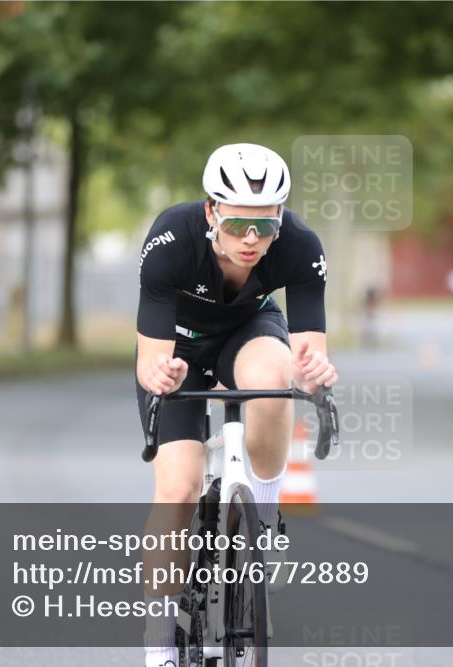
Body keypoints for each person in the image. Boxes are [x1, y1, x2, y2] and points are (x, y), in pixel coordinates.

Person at [135, 143, 338, 667]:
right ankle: (158, 646)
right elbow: (149, 361)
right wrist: (164, 373)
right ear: (210, 212)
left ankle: (262, 522)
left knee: (275, 377)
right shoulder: (171, 239)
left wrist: (316, 374)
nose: (251, 240)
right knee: (178, 488)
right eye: (236, 226)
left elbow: (309, 356)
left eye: (265, 228)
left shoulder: (299, 245)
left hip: (247, 333)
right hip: (177, 349)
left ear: (281, 219)